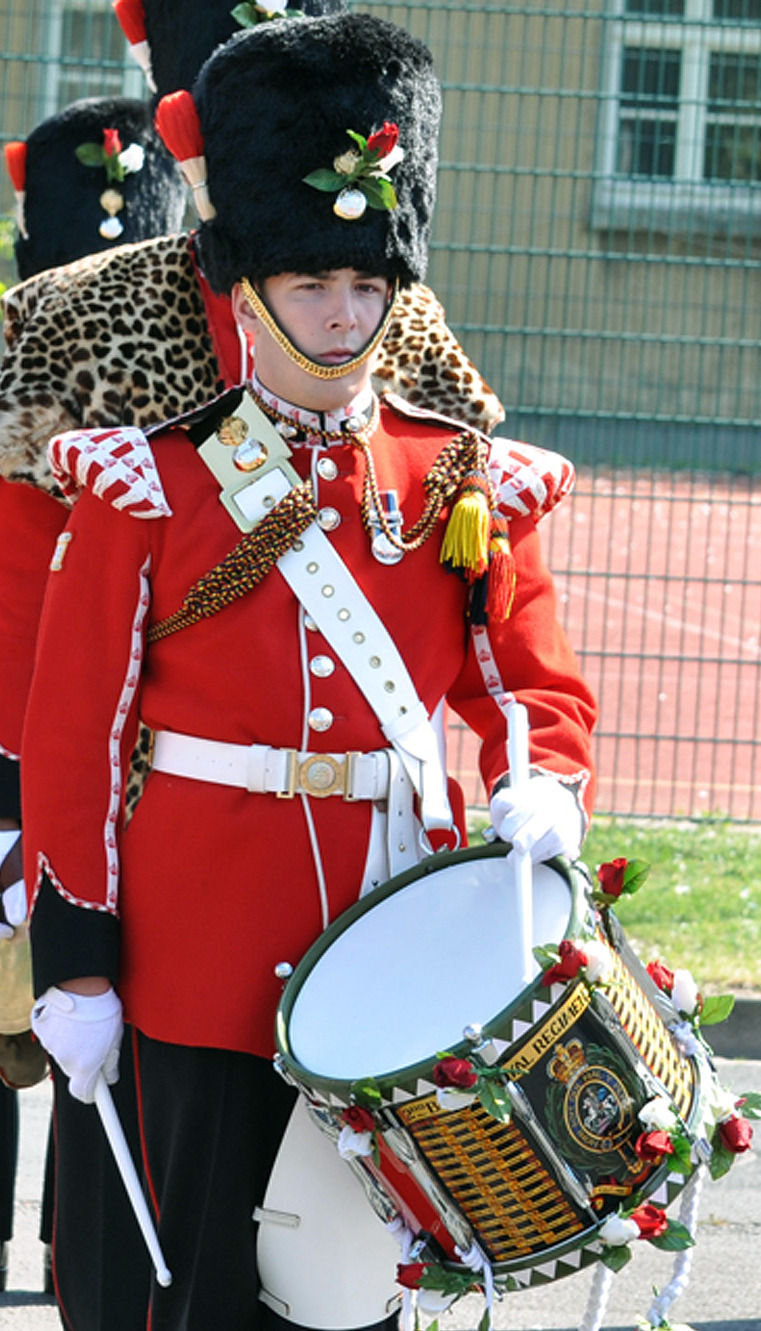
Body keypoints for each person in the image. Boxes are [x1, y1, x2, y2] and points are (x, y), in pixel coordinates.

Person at [21, 13, 597, 1331]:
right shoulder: (151, 481)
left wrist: (539, 783)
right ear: (245, 284)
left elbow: (526, 685)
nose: (343, 319)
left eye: (366, 286)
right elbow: (76, 735)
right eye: (309, 285)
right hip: (189, 950)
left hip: (389, 949)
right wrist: (82, 960)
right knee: (176, 1290)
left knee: (356, 1293)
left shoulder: (457, 476)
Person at [0, 94, 186, 1295]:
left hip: (55, 742)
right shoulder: (182, 392)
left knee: (55, 1015)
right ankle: (82, 1249)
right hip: (109, 741)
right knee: (83, 1013)